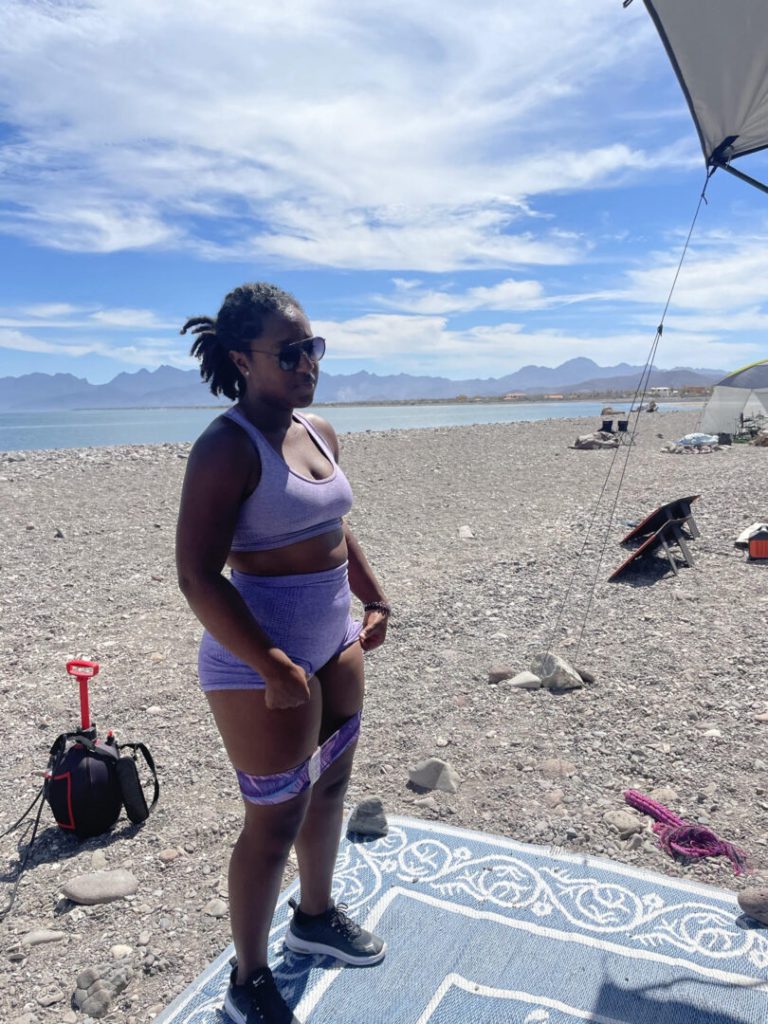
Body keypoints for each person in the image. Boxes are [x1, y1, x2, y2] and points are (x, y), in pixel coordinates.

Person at [175, 283, 390, 1024]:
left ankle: (316, 917)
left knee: (328, 791)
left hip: (332, 644)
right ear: (242, 359)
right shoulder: (225, 447)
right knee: (271, 824)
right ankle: (248, 977)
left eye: (313, 348)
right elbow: (197, 575)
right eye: (290, 352)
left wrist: (376, 595)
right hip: (258, 665)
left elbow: (334, 525)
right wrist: (270, 662)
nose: (308, 364)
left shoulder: (319, 427)